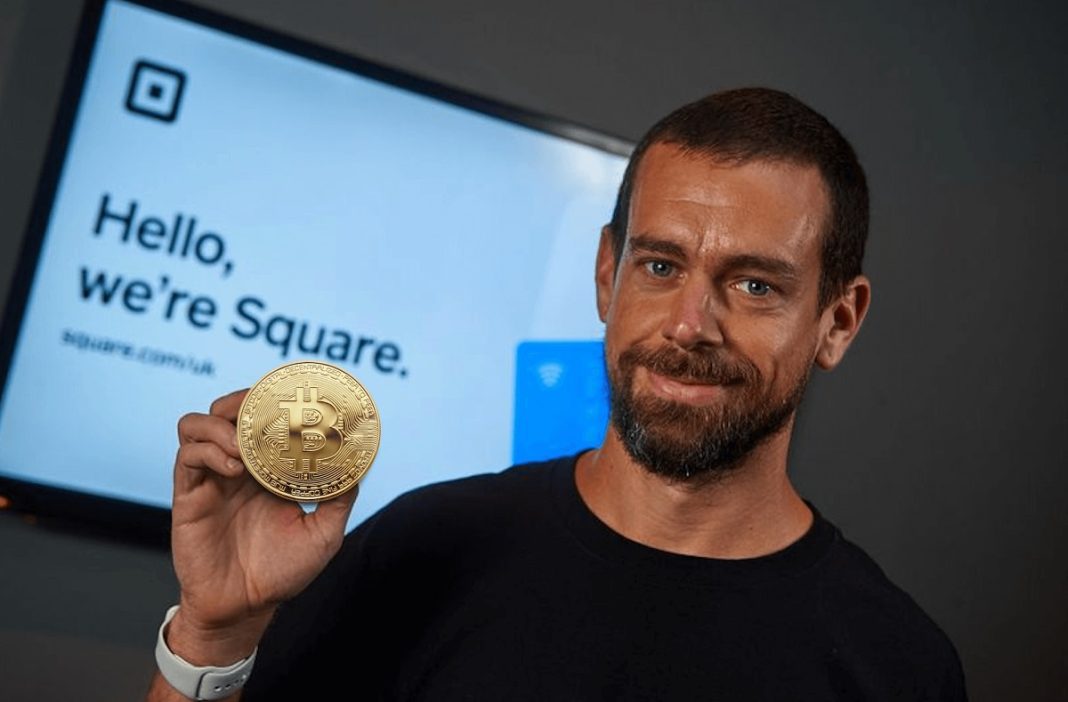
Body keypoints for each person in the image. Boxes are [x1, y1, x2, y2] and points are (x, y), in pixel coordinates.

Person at [146, 87, 968, 701]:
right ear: (608, 275)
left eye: (755, 285)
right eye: (660, 266)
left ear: (837, 321)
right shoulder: (421, 550)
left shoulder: (896, 665)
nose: (690, 325)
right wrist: (214, 635)